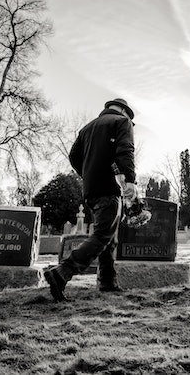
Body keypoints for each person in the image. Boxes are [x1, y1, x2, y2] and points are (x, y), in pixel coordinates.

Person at [44, 98, 137, 302]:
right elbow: (126, 150)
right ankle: (62, 272)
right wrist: (129, 180)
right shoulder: (122, 122)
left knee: (108, 236)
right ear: (123, 110)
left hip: (90, 189)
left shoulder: (86, 128)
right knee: (103, 235)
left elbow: (74, 157)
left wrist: (88, 174)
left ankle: (107, 281)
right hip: (109, 188)